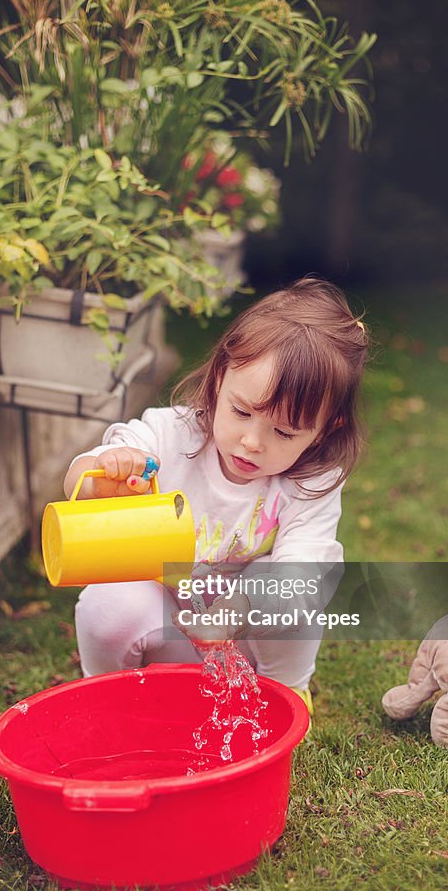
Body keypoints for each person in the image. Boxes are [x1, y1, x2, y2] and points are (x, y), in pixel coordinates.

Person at [64, 277, 368, 713]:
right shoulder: (170, 435)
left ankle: (283, 702)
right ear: (220, 377)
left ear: (325, 430)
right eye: (241, 411)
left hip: (248, 648)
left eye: (284, 432)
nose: (252, 442)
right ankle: (109, 699)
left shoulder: (309, 483)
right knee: (108, 598)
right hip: (168, 630)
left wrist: (235, 611)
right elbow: (80, 481)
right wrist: (103, 476)